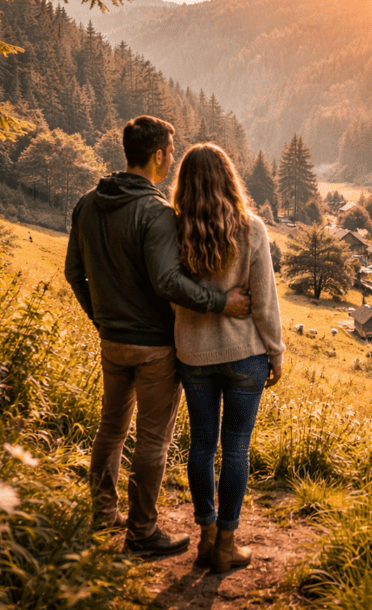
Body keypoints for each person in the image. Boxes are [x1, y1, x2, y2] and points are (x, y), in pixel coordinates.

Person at [64, 116, 251, 557]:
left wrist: (101, 319)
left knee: (110, 428)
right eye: (169, 151)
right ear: (159, 156)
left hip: (113, 340)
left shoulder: (88, 203)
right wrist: (220, 302)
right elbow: (168, 281)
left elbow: (74, 271)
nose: (170, 158)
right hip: (154, 345)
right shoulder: (155, 212)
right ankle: (143, 532)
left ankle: (103, 513)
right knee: (152, 439)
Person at [171, 143, 284, 574]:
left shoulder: (174, 229)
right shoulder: (251, 228)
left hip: (194, 354)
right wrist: (275, 352)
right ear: (229, 179)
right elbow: (264, 301)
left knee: (201, 445)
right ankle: (227, 545)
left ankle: (204, 538)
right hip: (245, 355)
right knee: (236, 446)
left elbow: (169, 288)